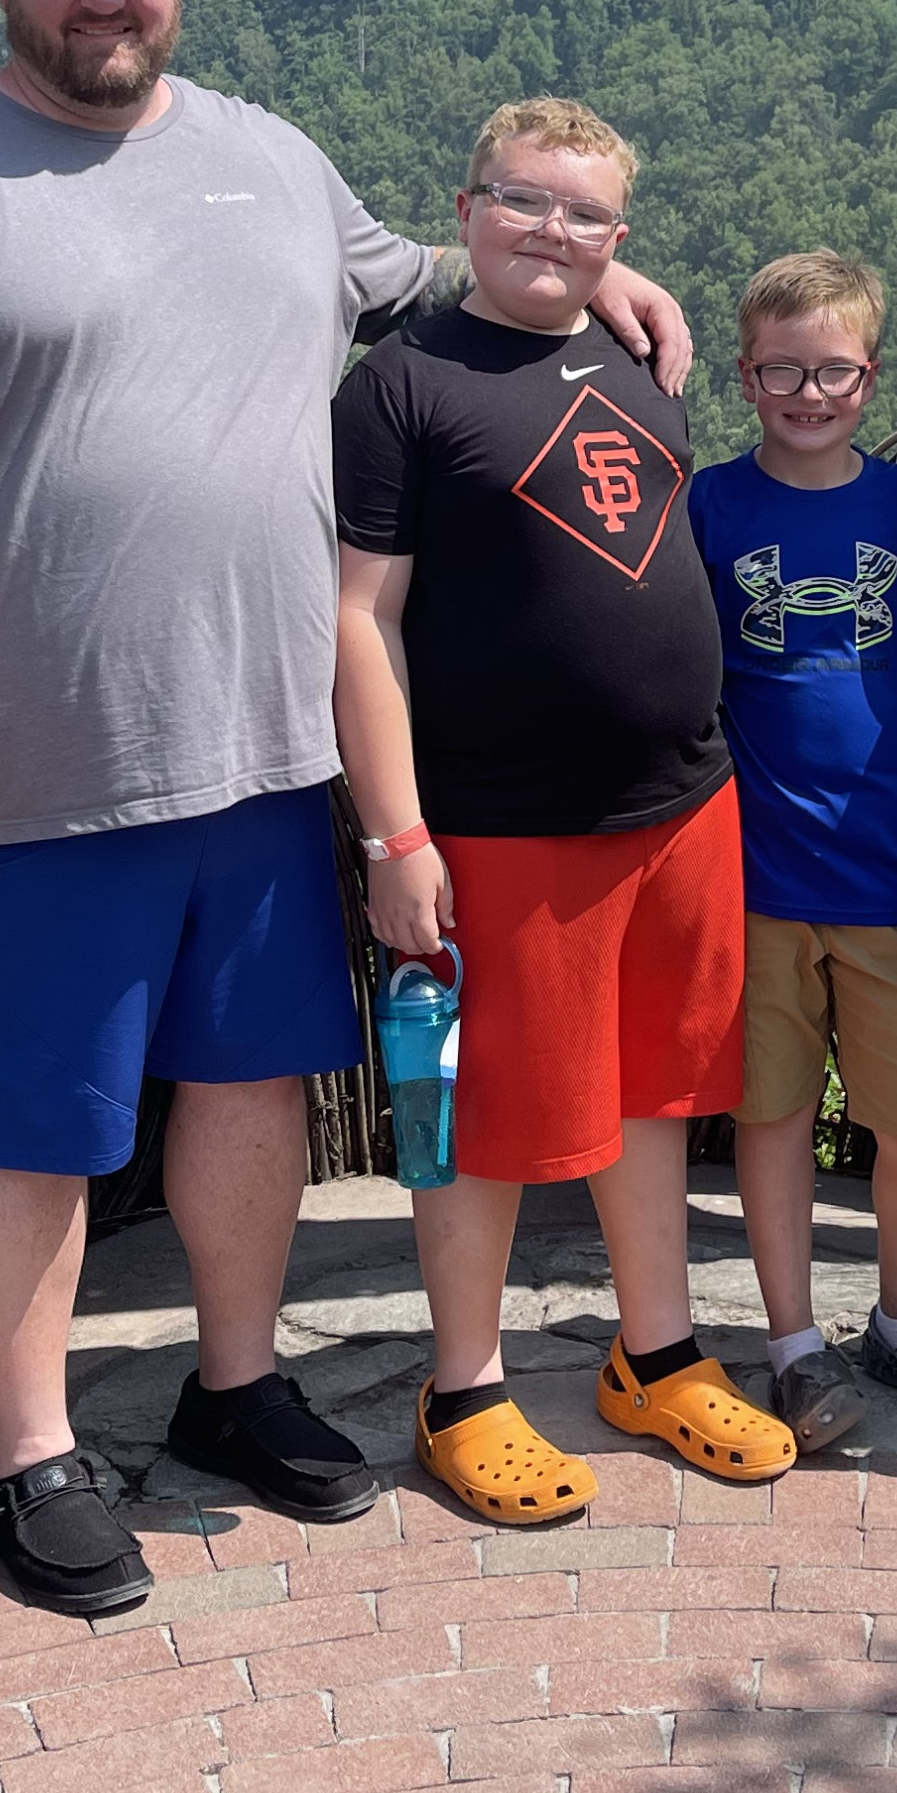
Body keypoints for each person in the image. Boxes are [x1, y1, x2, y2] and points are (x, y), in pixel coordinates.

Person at [0, 0, 691, 1614]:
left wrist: (594, 283)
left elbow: (419, 278)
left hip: (264, 756)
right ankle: (33, 1455)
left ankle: (234, 1385)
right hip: (21, 768)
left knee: (255, 1087)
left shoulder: (269, 158)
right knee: (26, 1123)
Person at [330, 97, 799, 1525]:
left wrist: (603, 287)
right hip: (502, 821)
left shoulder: (632, 347)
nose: (551, 230)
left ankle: (655, 1354)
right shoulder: (400, 386)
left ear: (620, 236)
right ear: (465, 208)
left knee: (655, 1087)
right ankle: (463, 1389)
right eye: (523, 200)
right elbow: (360, 620)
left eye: (584, 213)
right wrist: (395, 834)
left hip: (680, 803)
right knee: (482, 1112)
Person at [688, 252, 897, 1452]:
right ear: (745, 376)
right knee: (772, 1116)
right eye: (782, 370)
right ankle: (791, 1342)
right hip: (758, 881)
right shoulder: (709, 508)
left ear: (869, 378)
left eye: (833, 370)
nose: (808, 393)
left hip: (890, 875)